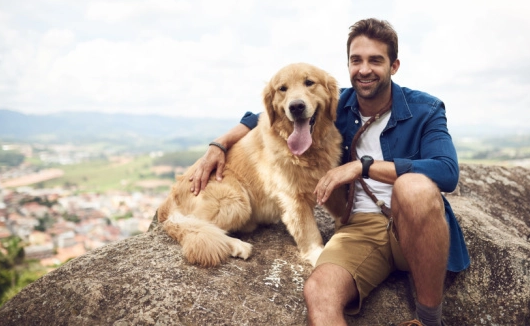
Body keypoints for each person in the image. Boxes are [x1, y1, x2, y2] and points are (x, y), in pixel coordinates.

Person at [189, 18, 469, 326]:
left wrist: (363, 167)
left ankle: (429, 321)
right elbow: (267, 113)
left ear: (394, 65)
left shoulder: (425, 109)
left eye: (376, 60)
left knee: (413, 187)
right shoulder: (337, 102)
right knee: (319, 291)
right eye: (356, 60)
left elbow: (446, 172)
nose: (364, 69)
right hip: (360, 229)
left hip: (412, 224)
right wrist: (220, 144)